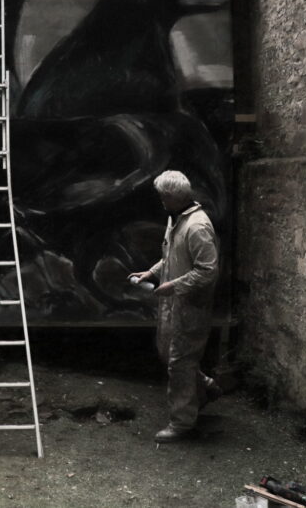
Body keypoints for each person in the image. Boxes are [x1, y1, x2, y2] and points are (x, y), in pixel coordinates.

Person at [130, 170, 220, 442]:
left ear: (171, 197)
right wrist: (152, 272)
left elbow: (208, 270)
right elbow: (172, 257)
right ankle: (205, 387)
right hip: (174, 303)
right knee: (169, 354)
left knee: (180, 362)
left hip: (190, 306)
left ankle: (182, 423)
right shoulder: (178, 220)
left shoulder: (196, 227)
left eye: (162, 197)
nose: (160, 202)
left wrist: (174, 286)